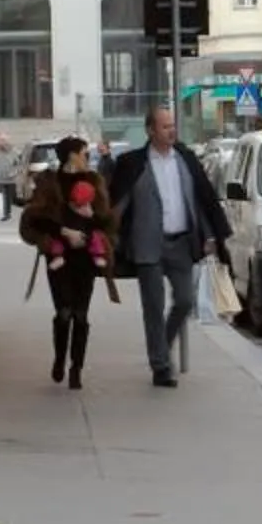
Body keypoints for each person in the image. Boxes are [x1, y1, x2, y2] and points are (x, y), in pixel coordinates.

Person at [109, 105, 234, 390]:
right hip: (147, 245)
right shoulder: (133, 163)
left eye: (172, 125)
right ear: (151, 130)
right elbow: (118, 204)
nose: (171, 130)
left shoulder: (186, 159)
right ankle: (161, 367)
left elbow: (203, 199)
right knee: (152, 307)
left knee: (185, 300)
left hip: (181, 242)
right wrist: (108, 236)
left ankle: (161, 346)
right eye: (165, 126)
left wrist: (212, 235)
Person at [19, 137, 117, 392]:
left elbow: (107, 222)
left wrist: (91, 218)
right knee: (64, 314)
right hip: (59, 259)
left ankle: (77, 368)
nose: (87, 157)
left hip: (86, 259)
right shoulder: (49, 182)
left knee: (81, 316)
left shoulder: (94, 181)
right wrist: (64, 232)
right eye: (84, 153)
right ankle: (60, 357)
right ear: (71, 155)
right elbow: (34, 219)